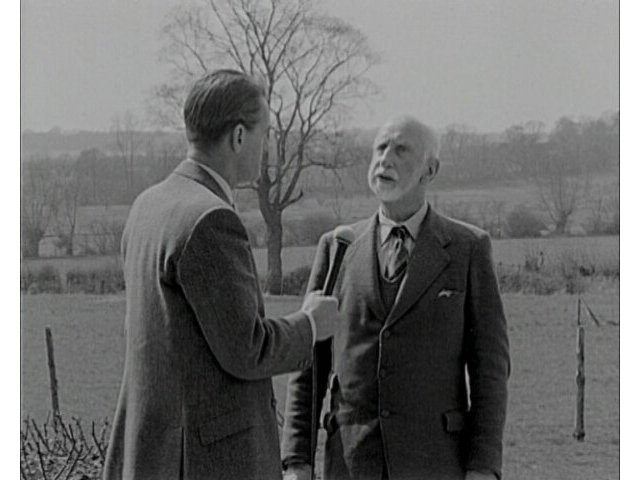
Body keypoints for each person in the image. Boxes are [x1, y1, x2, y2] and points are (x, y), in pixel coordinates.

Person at [103, 70, 338, 480]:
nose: (267, 147)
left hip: (153, 454)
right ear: (239, 136)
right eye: (265, 133)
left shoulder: (148, 205)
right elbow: (248, 349)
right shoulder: (211, 220)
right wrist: (311, 324)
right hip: (207, 462)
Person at [282, 116, 510, 480]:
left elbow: (490, 370)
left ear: (430, 170)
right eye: (380, 148)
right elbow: (309, 365)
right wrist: (297, 460)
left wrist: (483, 467)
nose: (385, 159)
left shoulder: (468, 249)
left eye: (401, 150)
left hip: (435, 464)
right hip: (351, 465)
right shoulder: (338, 247)